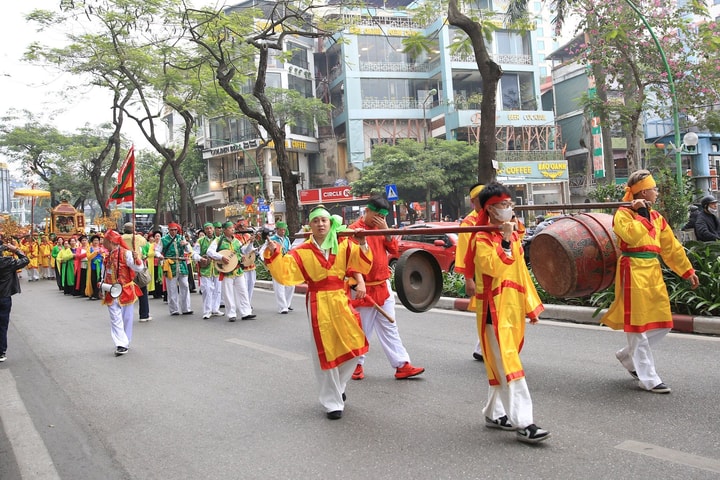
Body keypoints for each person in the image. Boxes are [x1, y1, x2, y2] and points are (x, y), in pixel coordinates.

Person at [263, 206, 372, 420]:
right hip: (318, 302)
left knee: (355, 347)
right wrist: (274, 252)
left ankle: (338, 385)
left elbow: (362, 264)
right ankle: (332, 402)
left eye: (324, 220)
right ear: (310, 226)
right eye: (316, 221)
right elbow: (285, 272)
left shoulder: (343, 245)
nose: (321, 224)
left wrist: (363, 242)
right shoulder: (301, 251)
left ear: (330, 223)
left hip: (341, 300)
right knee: (326, 352)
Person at [465, 182, 550, 444]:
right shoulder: (481, 237)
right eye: (503, 205)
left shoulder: (513, 236)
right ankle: (525, 423)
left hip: (512, 306)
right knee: (510, 365)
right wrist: (502, 239)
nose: (508, 209)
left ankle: (493, 412)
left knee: (501, 364)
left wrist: (529, 305)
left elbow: (520, 273)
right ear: (489, 209)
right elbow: (492, 268)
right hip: (494, 309)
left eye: (509, 204)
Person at [602, 170, 699, 393]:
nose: (656, 192)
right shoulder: (623, 214)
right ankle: (649, 378)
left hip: (653, 270)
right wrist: (641, 214)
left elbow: (671, 248)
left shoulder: (657, 218)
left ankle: (627, 356)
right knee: (638, 326)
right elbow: (632, 237)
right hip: (632, 269)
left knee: (663, 322)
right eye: (654, 189)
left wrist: (687, 270)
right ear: (644, 192)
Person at [347, 196, 424, 380]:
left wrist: (386, 231)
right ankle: (355, 364)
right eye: (377, 215)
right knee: (362, 329)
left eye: (383, 216)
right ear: (367, 210)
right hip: (363, 288)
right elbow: (349, 260)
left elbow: (394, 249)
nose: (379, 219)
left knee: (390, 327)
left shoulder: (382, 228)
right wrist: (359, 282)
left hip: (383, 285)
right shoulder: (352, 231)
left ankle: (402, 364)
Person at [101, 229, 145, 356]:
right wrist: (102, 287)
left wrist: (137, 259)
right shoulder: (107, 256)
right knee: (115, 318)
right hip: (111, 290)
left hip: (125, 289)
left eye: (105, 240)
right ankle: (121, 344)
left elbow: (139, 268)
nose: (104, 243)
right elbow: (103, 273)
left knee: (127, 318)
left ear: (111, 241)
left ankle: (126, 340)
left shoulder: (126, 254)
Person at [454, 183, 485, 362]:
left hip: (499, 272)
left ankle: (482, 347)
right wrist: (468, 279)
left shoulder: (494, 217)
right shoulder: (469, 222)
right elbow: (465, 253)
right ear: (473, 202)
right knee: (485, 312)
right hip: (480, 275)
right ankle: (483, 348)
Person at [206, 222, 255, 321]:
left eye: (233, 228)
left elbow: (244, 251)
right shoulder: (218, 240)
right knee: (228, 293)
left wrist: (251, 243)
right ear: (224, 230)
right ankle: (231, 314)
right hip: (226, 270)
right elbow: (209, 252)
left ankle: (246, 312)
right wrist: (221, 257)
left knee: (243, 291)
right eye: (229, 228)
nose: (232, 230)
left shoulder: (237, 241)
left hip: (238, 269)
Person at [0, 238, 30, 362]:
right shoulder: (7, 262)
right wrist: (16, 249)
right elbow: (25, 260)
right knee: (2, 325)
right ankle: (1, 351)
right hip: (4, 296)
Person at [160, 223, 193, 316]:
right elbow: (157, 251)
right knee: (171, 288)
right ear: (168, 230)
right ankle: (174, 309)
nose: (173, 231)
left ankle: (186, 308)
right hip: (170, 265)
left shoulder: (181, 237)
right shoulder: (163, 240)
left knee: (185, 286)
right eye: (171, 230)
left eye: (175, 230)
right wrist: (160, 256)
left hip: (182, 264)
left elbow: (189, 250)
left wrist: (186, 244)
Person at [192, 222, 223, 319]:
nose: (209, 230)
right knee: (207, 290)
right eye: (207, 229)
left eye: (210, 228)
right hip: (205, 268)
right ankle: (207, 311)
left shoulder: (219, 240)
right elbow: (194, 254)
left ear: (213, 229)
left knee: (217, 290)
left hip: (217, 268)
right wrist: (201, 259)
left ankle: (215, 309)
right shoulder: (200, 241)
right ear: (204, 230)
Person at [122, 222, 151, 322]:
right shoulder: (138, 237)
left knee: (125, 291)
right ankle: (144, 314)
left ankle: (124, 315)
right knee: (142, 291)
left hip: (125, 267)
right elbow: (145, 243)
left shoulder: (121, 238)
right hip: (136, 265)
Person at [268, 221, 295, 314]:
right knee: (279, 286)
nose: (283, 231)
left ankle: (287, 304)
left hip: (286, 264)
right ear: (277, 230)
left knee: (291, 285)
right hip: (276, 265)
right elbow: (264, 252)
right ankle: (282, 307)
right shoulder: (271, 239)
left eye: (284, 230)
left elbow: (290, 250)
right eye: (281, 229)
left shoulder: (287, 239)